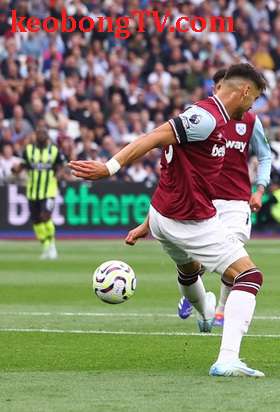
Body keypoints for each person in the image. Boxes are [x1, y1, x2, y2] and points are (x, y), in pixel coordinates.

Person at [70, 63, 269, 378]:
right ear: (244, 91)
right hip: (188, 220)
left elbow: (174, 172)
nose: (251, 107)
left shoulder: (210, 117)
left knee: (189, 272)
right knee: (249, 277)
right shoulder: (206, 117)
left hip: (163, 215)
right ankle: (227, 359)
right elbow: (154, 137)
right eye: (253, 99)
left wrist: (147, 223)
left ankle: (205, 314)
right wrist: (110, 167)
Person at [127, 68, 272, 328]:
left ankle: (220, 311)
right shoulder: (201, 119)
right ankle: (203, 307)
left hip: (236, 201)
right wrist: (147, 223)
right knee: (194, 268)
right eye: (216, 88)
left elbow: (265, 155)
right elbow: (173, 176)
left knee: (236, 260)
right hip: (202, 201)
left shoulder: (249, 121)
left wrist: (259, 188)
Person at [12, 121, 66, 259]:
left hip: (49, 191)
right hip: (33, 191)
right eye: (39, 132)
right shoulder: (29, 150)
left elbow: (61, 166)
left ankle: (52, 244)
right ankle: (45, 244)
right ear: (35, 135)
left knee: (45, 216)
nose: (41, 135)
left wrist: (59, 175)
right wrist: (15, 170)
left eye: (43, 132)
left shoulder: (54, 151)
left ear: (47, 135)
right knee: (36, 221)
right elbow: (23, 165)